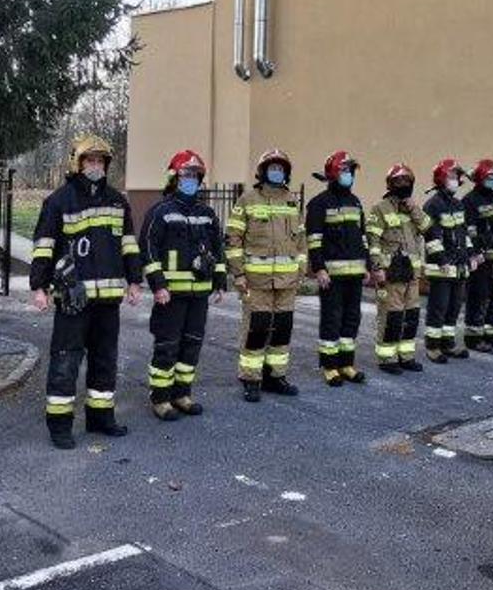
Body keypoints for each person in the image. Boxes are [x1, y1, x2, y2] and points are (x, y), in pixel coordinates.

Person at [31, 134, 141, 449]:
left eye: (100, 161)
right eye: (89, 160)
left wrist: (134, 281)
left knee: (105, 360)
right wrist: (39, 286)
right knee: (66, 361)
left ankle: (100, 417)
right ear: (77, 164)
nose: (95, 166)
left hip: (108, 300)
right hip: (72, 299)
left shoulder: (118, 201)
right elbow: (44, 246)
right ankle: (60, 425)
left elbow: (128, 245)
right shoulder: (59, 201)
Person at [140, 150, 227, 421]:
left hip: (199, 293)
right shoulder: (161, 212)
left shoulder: (207, 214)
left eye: (195, 176)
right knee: (167, 345)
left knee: (192, 344)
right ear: (174, 178)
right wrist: (158, 285)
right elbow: (148, 249)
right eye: (186, 175)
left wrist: (220, 282)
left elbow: (218, 249)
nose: (191, 180)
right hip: (171, 295)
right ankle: (160, 398)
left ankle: (182, 394)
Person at [227, 149, 307, 401]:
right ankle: (251, 378)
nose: (277, 172)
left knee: (282, 329)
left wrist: (300, 271)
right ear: (262, 172)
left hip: (287, 281)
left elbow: (301, 242)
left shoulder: (291, 201)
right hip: (256, 281)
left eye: (280, 168)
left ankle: (275, 376)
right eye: (272, 168)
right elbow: (233, 239)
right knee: (256, 329)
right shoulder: (247, 200)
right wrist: (238, 274)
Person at [306, 151, 374, 386]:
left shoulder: (355, 202)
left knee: (351, 319)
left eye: (350, 171)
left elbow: (362, 237)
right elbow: (314, 240)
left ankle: (346, 364)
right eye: (344, 170)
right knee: (331, 320)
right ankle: (330, 366)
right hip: (332, 276)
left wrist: (367, 265)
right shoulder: (319, 203)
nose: (349, 175)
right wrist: (319, 269)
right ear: (334, 173)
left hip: (355, 274)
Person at [367, 163, 427, 374]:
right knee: (391, 317)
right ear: (390, 184)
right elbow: (372, 241)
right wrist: (376, 268)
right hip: (390, 274)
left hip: (412, 274)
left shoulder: (413, 208)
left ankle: (406, 356)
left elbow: (428, 229)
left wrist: (414, 209)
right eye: (398, 181)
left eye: (406, 181)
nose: (403, 184)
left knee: (410, 316)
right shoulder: (380, 209)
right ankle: (387, 358)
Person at [422, 159, 476, 363]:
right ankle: (433, 347)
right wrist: (442, 260)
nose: (456, 181)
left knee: (453, 308)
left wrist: (471, 254)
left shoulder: (457, 204)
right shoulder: (433, 205)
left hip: (459, 266)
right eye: (452, 177)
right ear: (441, 179)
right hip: (441, 268)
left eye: (457, 177)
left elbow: (463, 234)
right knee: (438, 308)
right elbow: (432, 238)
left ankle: (448, 343)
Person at [462, 158, 493, 352]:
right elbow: (469, 230)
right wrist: (476, 251)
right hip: (481, 260)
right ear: (481, 178)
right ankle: (473, 338)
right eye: (491, 178)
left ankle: (489, 333)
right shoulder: (470, 201)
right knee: (478, 297)